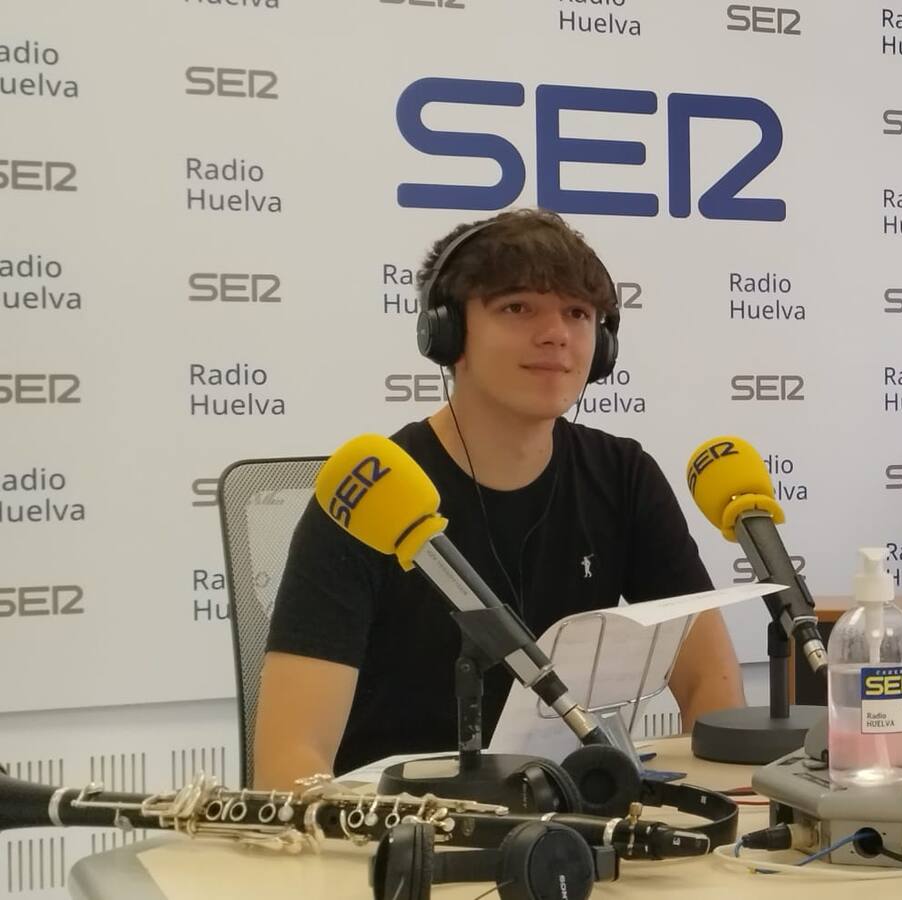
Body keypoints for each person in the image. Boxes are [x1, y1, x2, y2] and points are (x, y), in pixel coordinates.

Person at [253, 208, 745, 790]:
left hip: (574, 821)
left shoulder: (624, 476)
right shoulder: (369, 500)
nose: (556, 334)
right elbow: (290, 759)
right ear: (447, 335)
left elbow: (711, 687)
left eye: (577, 313)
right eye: (517, 308)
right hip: (400, 824)